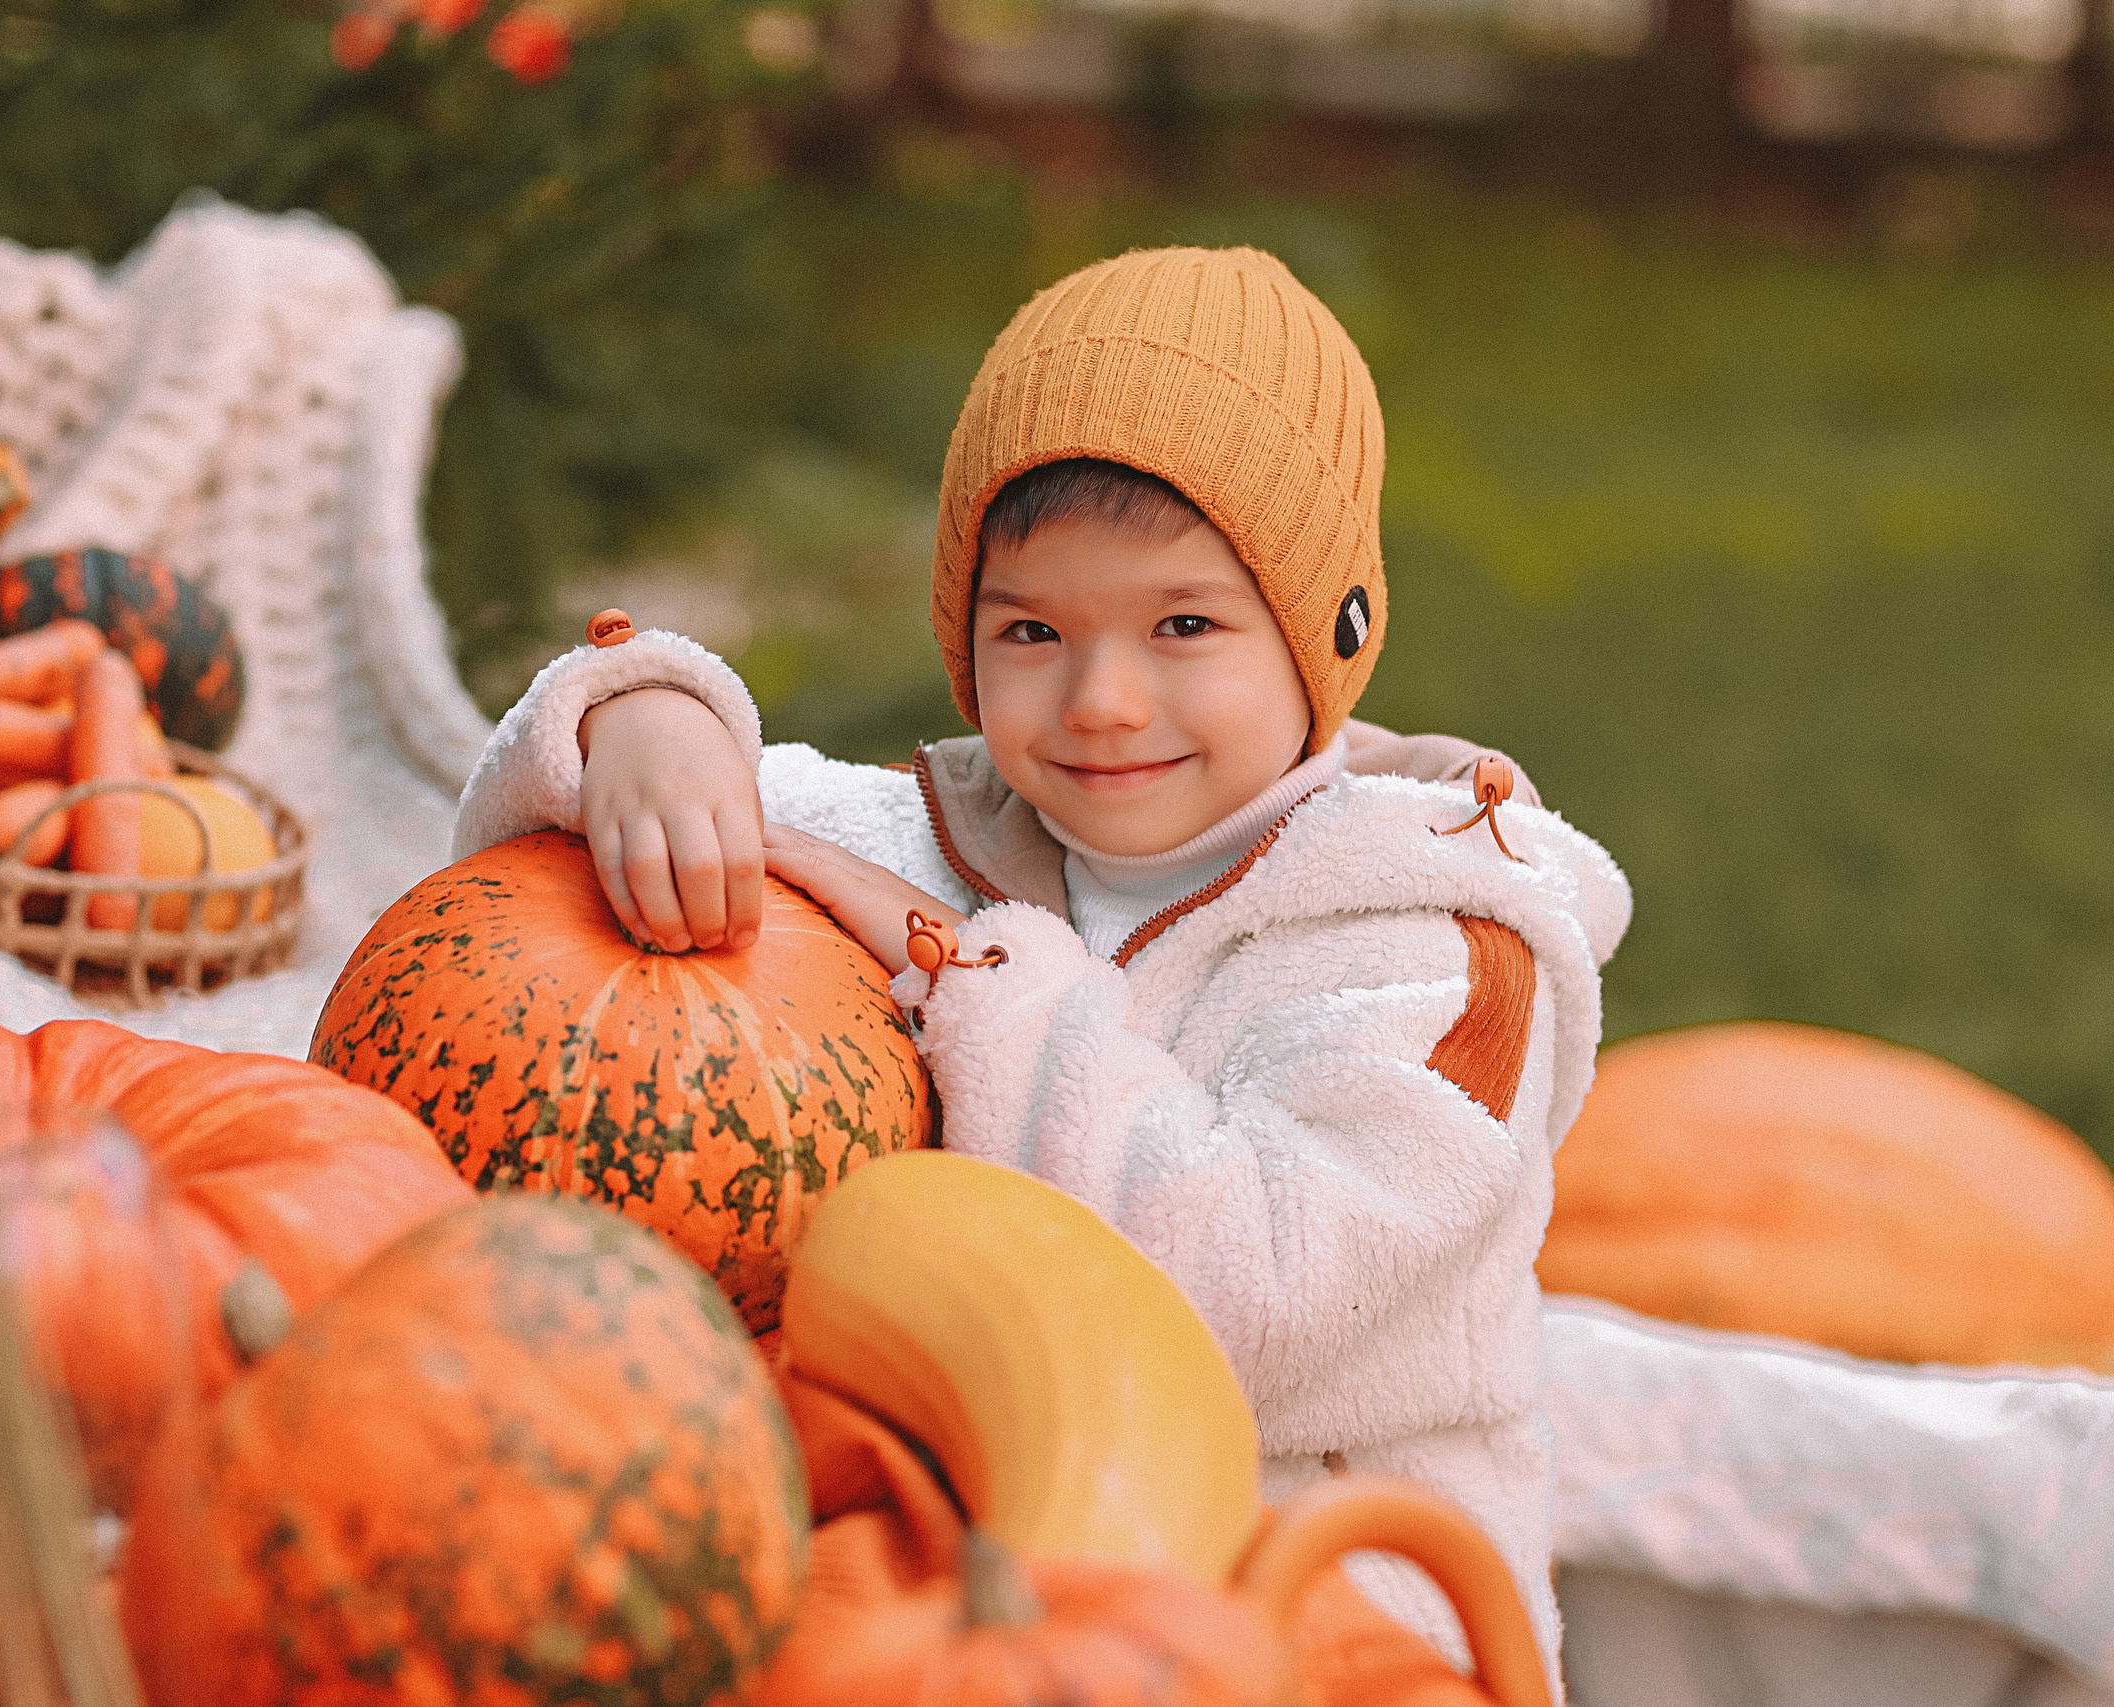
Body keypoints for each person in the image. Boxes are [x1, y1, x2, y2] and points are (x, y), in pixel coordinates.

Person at [452, 246, 1630, 1677]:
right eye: (1031, 631)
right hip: (974, 1578)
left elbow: (1243, 1302)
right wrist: (642, 716)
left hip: (1321, 1593)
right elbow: (508, 887)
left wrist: (967, 976)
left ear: (1338, 628)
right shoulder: (948, 826)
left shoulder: (1440, 950)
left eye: (1184, 625)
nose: (1101, 701)